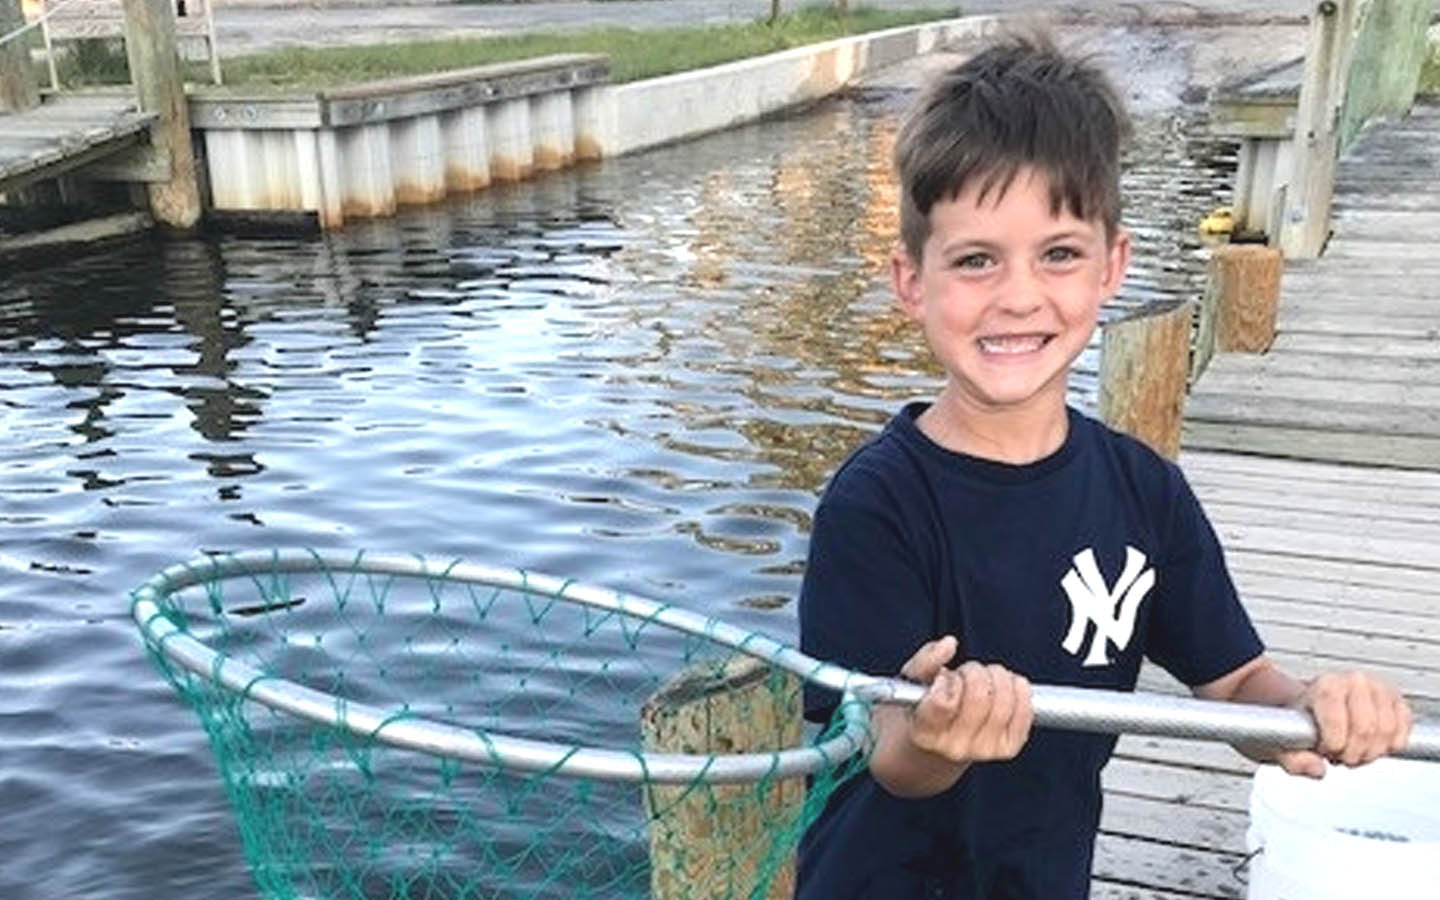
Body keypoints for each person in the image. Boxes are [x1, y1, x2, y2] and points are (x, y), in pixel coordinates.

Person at [796, 32, 1414, 900]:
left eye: (1058, 253)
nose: (1018, 294)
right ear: (911, 281)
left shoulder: (1143, 491)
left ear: (1112, 266)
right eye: (975, 259)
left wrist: (1314, 708)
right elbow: (887, 757)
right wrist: (936, 733)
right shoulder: (874, 505)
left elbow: (1235, 680)